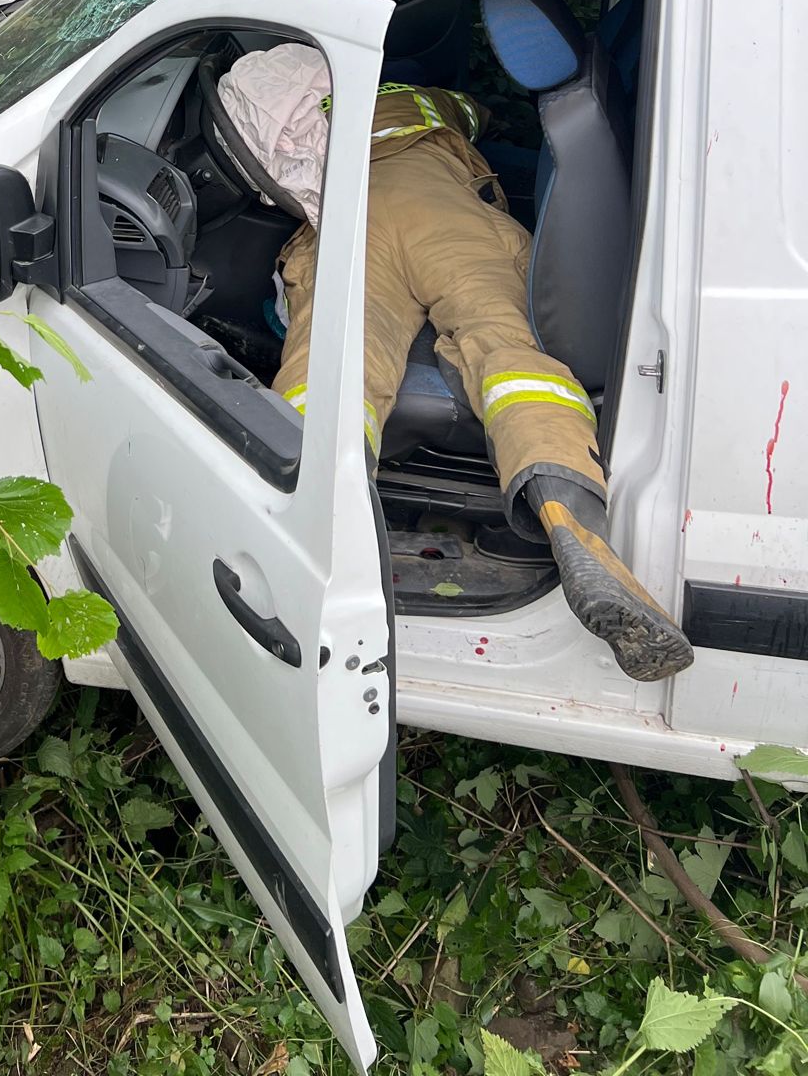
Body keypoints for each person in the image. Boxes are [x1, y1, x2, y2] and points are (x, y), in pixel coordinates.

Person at [219, 42, 693, 684]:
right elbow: (477, 120)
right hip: (441, 210)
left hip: (351, 218)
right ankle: (571, 522)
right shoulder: (428, 104)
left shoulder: (304, 117)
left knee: (332, 367)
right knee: (506, 349)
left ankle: (306, 522)